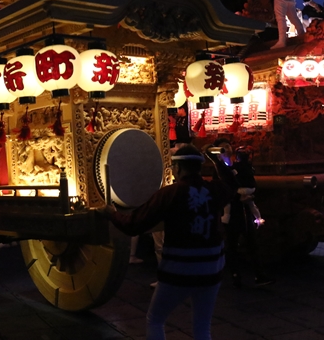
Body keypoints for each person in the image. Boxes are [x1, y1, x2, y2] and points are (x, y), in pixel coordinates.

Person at [99, 144, 230, 340]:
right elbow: (231, 183)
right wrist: (218, 161)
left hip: (180, 270)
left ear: (178, 168)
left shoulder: (170, 193)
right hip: (212, 268)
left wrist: (112, 214)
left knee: (155, 319)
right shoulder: (216, 190)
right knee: (203, 327)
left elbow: (133, 225)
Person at [208, 137, 273, 288]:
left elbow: (249, 181)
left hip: (245, 211)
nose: (227, 149)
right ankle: (235, 275)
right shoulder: (218, 170)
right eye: (223, 147)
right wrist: (238, 197)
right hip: (232, 212)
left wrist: (249, 194)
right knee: (232, 245)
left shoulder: (239, 165)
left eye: (228, 145)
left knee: (252, 242)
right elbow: (220, 190)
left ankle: (259, 275)